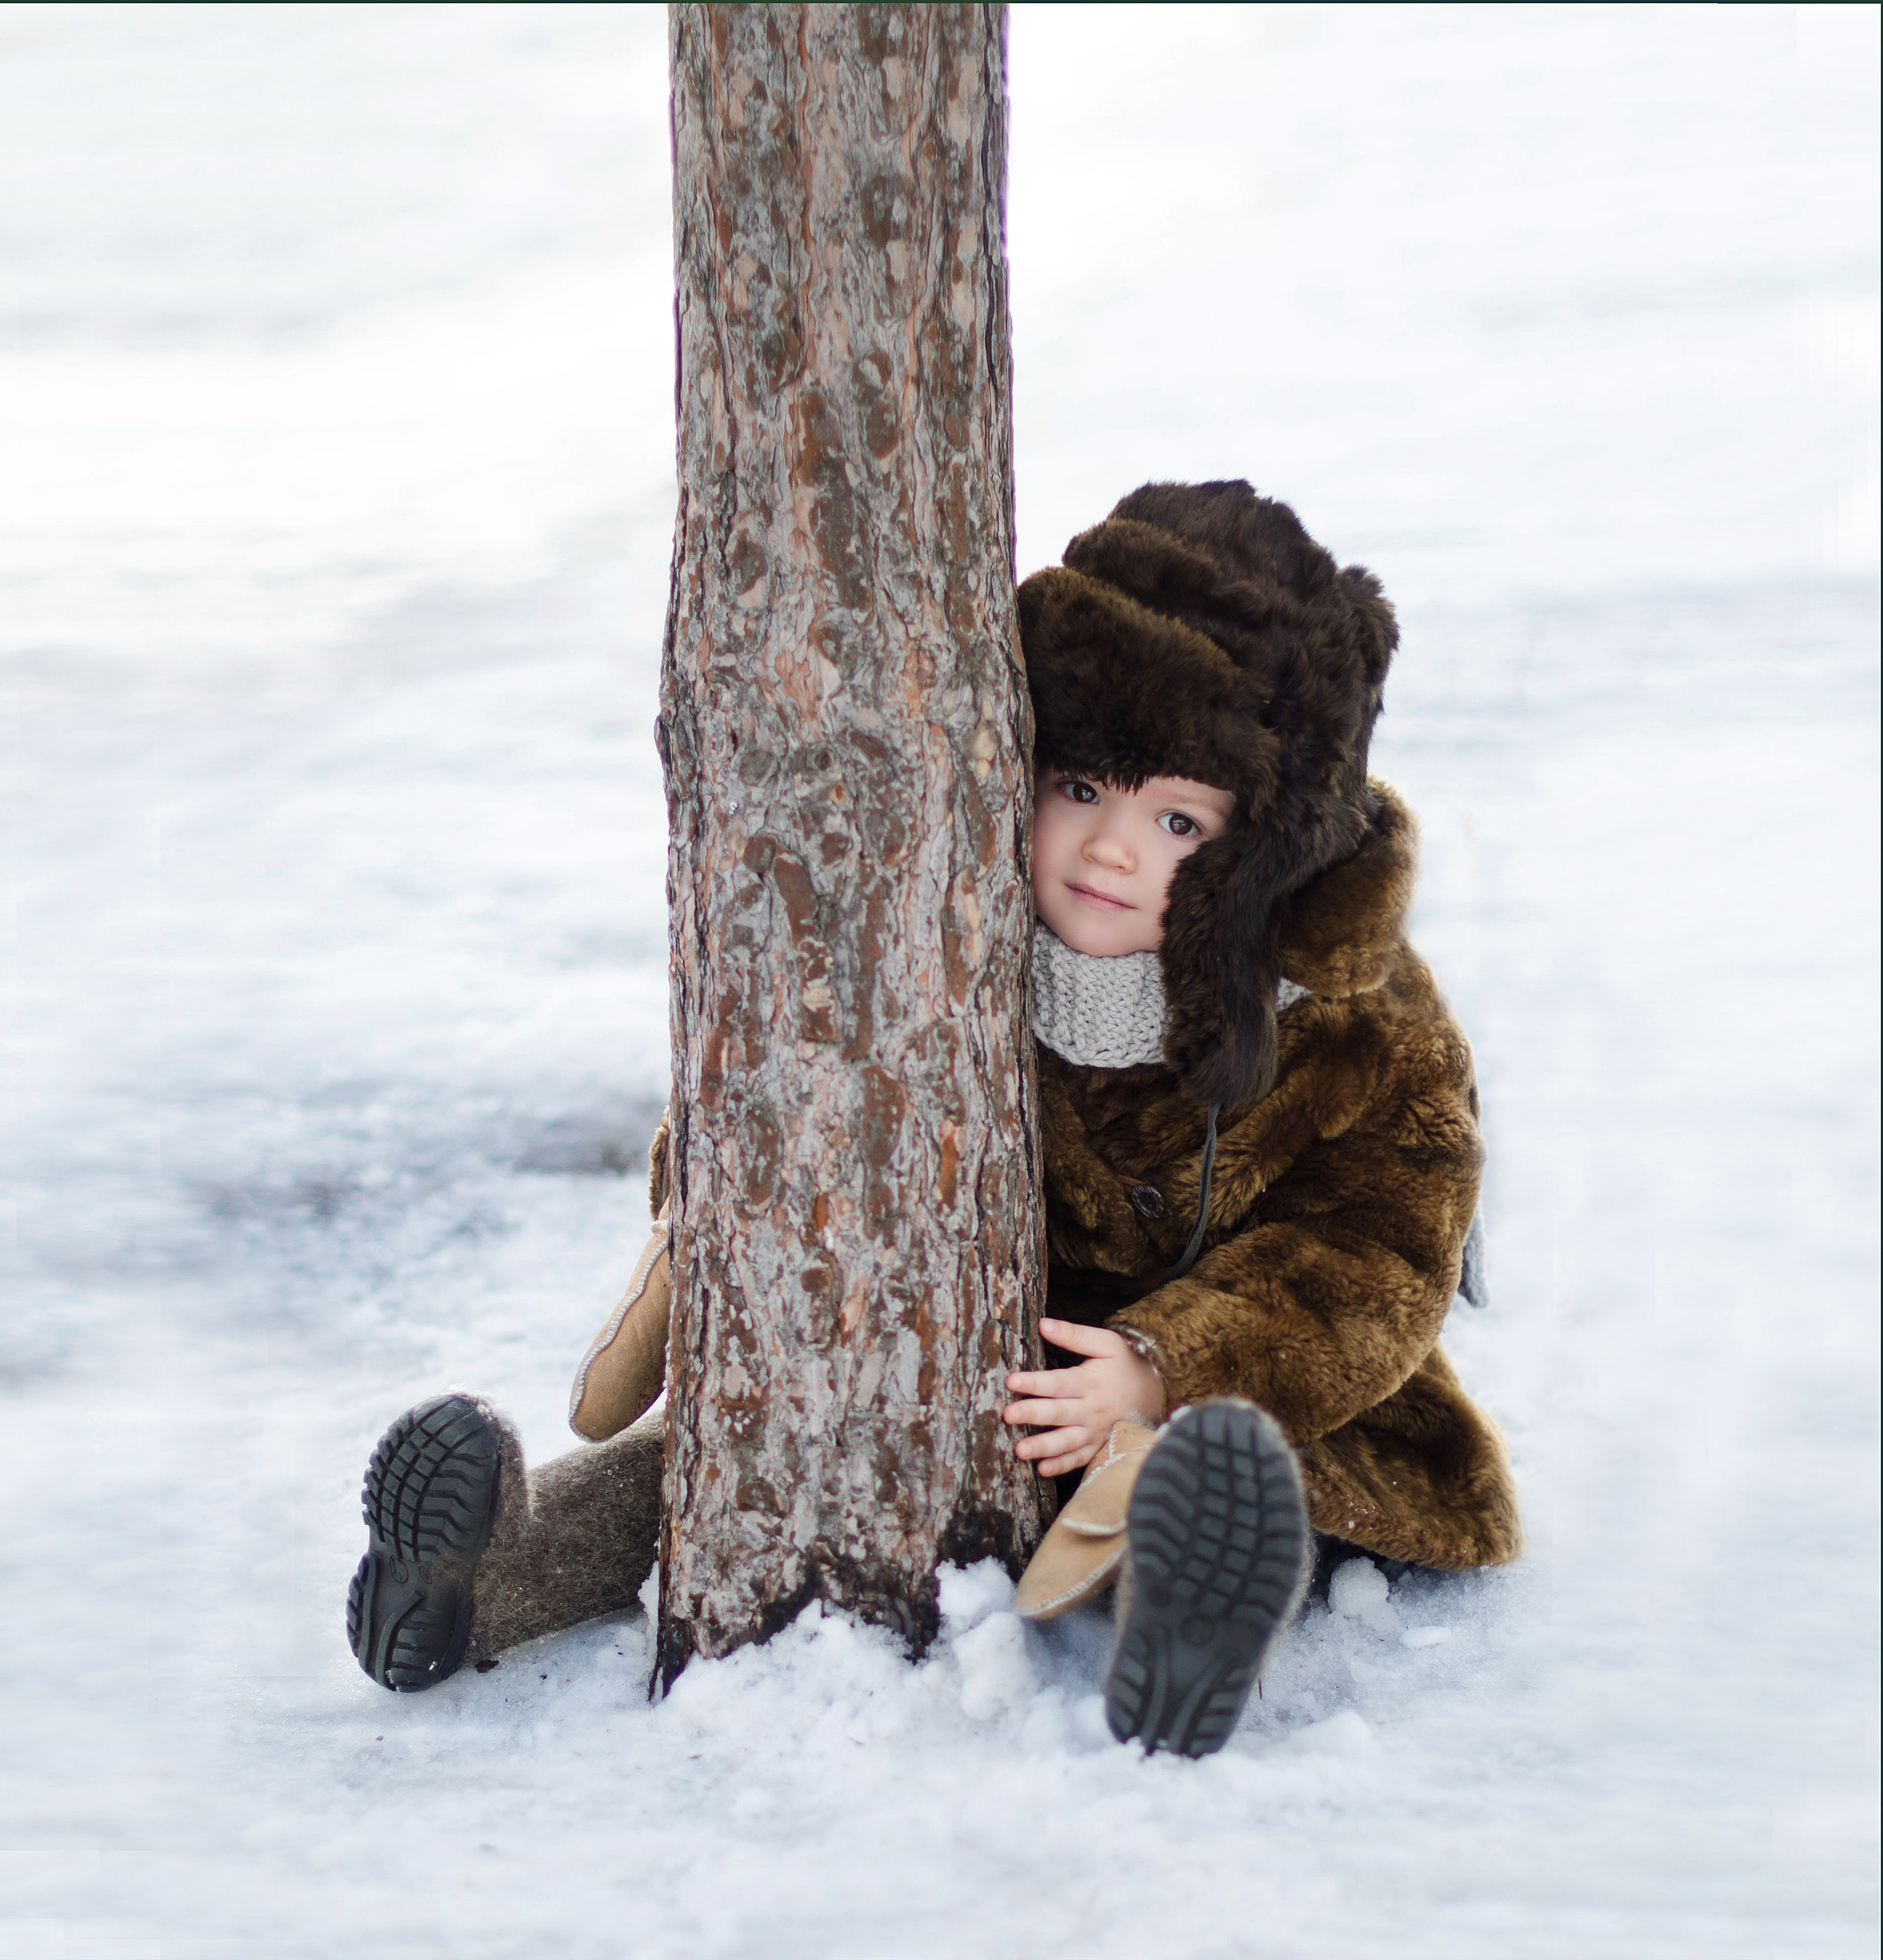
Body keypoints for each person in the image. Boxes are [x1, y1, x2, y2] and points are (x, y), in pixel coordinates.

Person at [346, 480, 1520, 1759]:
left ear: (1264, 855)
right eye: (1084, 786)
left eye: (1178, 820)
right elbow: (784, 1101)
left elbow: (1377, 1249)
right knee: (749, 1453)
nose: (1110, 849)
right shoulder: (949, 931)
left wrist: (1166, 1364)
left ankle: (1194, 1613)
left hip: (1256, 1397)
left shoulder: (1354, 1019)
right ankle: (487, 1575)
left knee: (1195, 1478)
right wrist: (703, 1222)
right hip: (971, 1363)